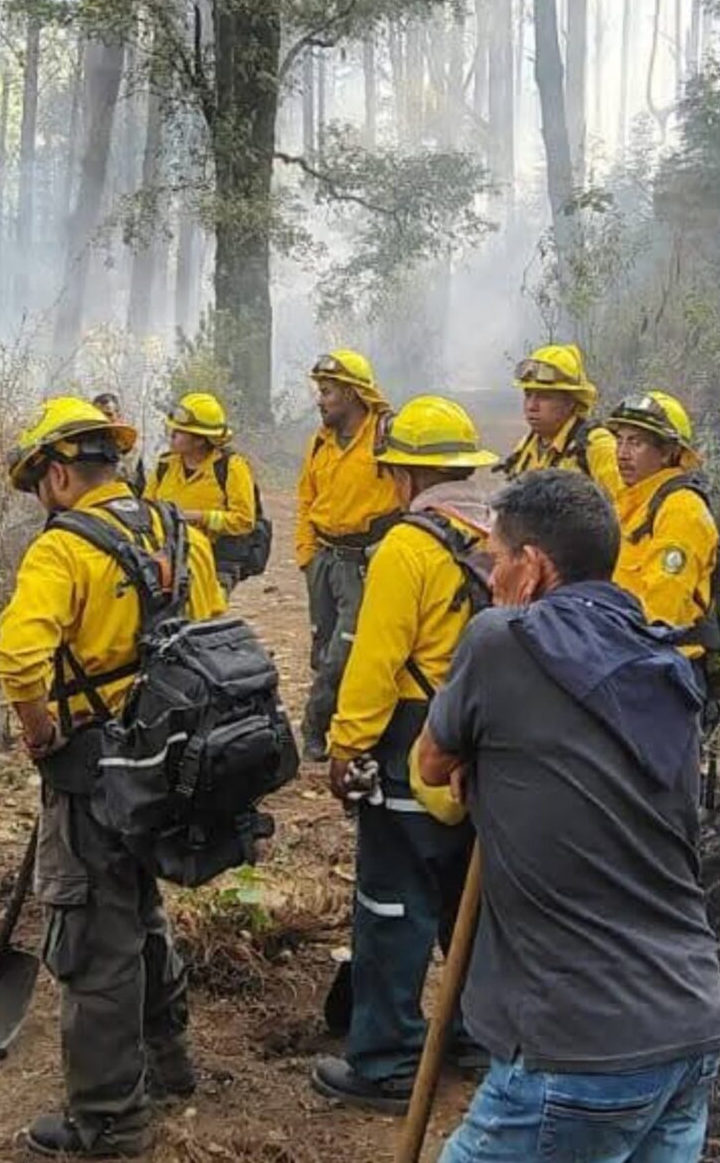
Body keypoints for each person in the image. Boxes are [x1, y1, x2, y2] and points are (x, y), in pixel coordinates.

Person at [415, 468, 720, 1163]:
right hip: (690, 1023)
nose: (489, 578)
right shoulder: (663, 659)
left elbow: (431, 764)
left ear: (531, 567)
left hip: (579, 1045)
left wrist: (483, 759)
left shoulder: (501, 640)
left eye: (495, 561)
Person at [0, 397, 224, 1159]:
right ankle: (169, 1060)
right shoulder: (175, 530)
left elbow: (20, 659)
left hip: (93, 766)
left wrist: (41, 733)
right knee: (143, 909)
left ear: (59, 474)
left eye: (39, 485)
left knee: (94, 934)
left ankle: (108, 1119)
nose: (41, 500)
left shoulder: (62, 550)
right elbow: (212, 633)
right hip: (169, 760)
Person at [311, 397, 495, 1113]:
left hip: (412, 741)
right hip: (480, 739)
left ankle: (387, 1059)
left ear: (401, 476)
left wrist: (346, 747)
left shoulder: (408, 548)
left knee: (392, 902)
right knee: (467, 902)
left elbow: (376, 663)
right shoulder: (496, 536)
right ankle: (474, 1036)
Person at [294, 350, 402, 762]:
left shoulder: (384, 437)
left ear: (355, 394)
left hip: (365, 561)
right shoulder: (320, 442)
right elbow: (306, 497)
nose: (320, 400)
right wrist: (306, 555)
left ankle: (315, 725)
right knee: (325, 650)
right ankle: (336, 717)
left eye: (328, 392)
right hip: (324, 559)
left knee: (348, 648)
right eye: (320, 391)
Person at [601, 391, 718, 656]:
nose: (622, 454)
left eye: (636, 443)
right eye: (619, 441)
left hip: (661, 665)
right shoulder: (633, 503)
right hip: (624, 651)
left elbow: (662, 612)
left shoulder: (681, 510)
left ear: (667, 452)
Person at [140, 393, 260, 591]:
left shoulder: (231, 467)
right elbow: (146, 508)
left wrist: (200, 517)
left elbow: (244, 520)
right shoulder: (165, 465)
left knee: (203, 617)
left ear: (200, 440)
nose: (172, 434)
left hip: (215, 562)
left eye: (180, 431)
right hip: (168, 559)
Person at [499, 343, 620, 494]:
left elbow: (623, 507)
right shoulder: (526, 448)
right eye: (528, 395)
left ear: (570, 402)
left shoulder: (596, 446)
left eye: (544, 397)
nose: (531, 406)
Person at [90, 391, 149, 495]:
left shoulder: (130, 452)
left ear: (118, 416)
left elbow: (140, 489)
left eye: (108, 414)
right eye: (97, 415)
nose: (103, 419)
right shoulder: (84, 447)